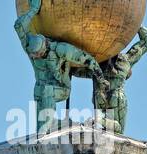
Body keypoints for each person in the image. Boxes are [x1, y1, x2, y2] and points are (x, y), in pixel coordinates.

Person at [15, 0, 103, 135]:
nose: (36, 57)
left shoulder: (60, 50)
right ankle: (47, 128)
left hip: (62, 88)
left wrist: (100, 78)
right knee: (40, 91)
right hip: (42, 88)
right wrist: (33, 9)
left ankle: (46, 127)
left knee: (46, 90)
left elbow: (87, 59)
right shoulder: (29, 46)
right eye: (34, 55)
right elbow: (18, 25)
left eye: (39, 54)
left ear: (45, 46)